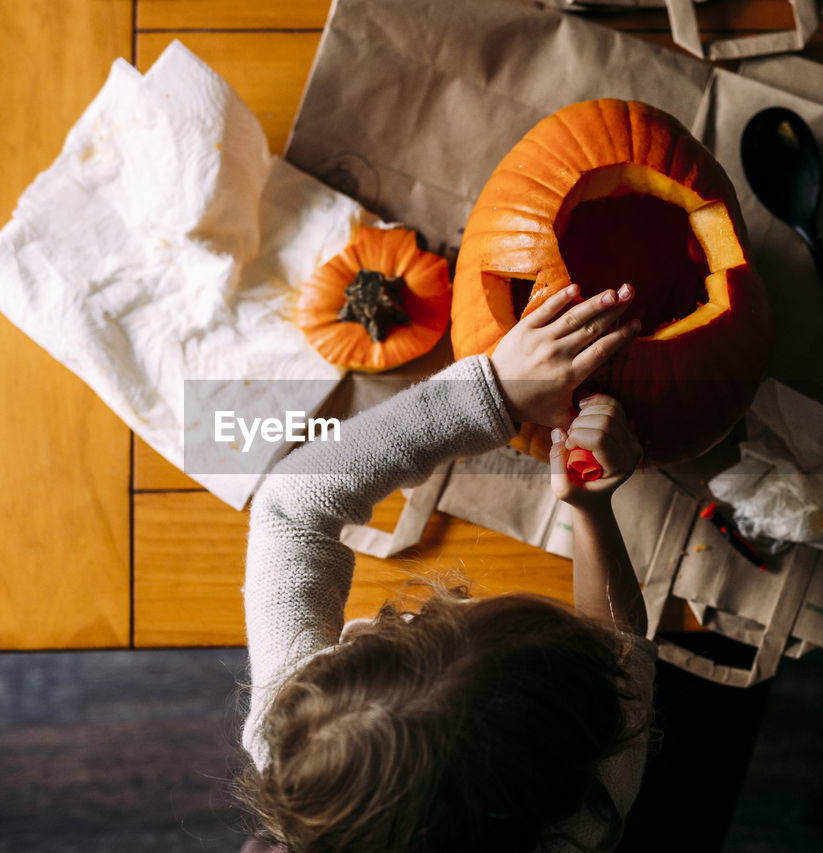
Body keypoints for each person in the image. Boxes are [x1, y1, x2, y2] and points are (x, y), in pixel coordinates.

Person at [237, 282, 654, 852]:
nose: (448, 601)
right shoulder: (588, 813)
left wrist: (496, 395)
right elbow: (621, 647)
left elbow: (291, 507)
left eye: (412, 623)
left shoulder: (296, 734)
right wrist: (592, 512)